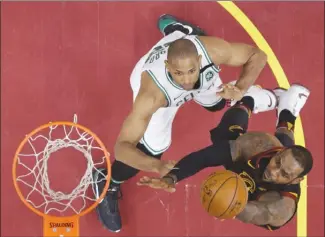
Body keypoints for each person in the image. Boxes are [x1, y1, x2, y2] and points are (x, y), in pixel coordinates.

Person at [92, 14, 269, 232]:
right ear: (168, 66)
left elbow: (257, 55)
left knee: (217, 102)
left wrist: (241, 87)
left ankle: (179, 32)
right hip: (164, 95)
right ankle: (107, 180)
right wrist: (155, 165)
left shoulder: (211, 51)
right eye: (178, 73)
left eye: (191, 71)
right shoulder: (151, 96)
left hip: (190, 58)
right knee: (152, 151)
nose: (186, 80)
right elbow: (122, 148)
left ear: (198, 61)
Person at [137, 83, 313, 231]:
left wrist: (228, 207)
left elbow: (251, 212)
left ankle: (288, 108)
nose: (274, 172)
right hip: (261, 153)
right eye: (277, 162)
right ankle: (251, 99)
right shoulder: (261, 144)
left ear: (296, 180)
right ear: (278, 153)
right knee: (225, 137)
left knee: (285, 149)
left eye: (285, 174)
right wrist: (172, 177)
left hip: (262, 203)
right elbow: (205, 157)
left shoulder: (281, 207)